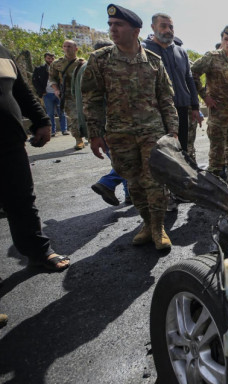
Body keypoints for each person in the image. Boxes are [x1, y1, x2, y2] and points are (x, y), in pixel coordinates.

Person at [82, 4, 179, 250]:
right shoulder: (100, 60)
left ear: (135, 30)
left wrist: (173, 131)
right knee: (134, 182)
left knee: (155, 181)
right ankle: (146, 223)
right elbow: (91, 99)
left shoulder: (154, 61)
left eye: (118, 25)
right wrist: (93, 134)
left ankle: (158, 228)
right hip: (119, 134)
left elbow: (166, 98)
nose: (112, 29)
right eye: (110, 25)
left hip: (152, 132)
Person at [0, 41, 70, 272]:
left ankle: (38, 251)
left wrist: (41, 121)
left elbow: (21, 91)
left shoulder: (2, 52)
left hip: (8, 140)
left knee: (21, 198)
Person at [72, 38, 131, 207]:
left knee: (120, 158)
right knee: (128, 159)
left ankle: (129, 194)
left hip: (93, 122)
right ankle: (108, 183)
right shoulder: (100, 67)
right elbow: (103, 99)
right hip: (109, 123)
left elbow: (75, 95)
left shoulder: (80, 69)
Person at [142, 13, 202, 157]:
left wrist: (195, 106)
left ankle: (182, 179)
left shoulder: (180, 51)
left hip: (181, 109)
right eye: (163, 26)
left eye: (171, 27)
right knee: (162, 154)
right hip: (157, 112)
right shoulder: (144, 50)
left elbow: (189, 79)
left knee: (182, 151)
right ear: (153, 27)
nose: (168, 30)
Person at [191, 25, 228, 183]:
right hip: (218, 110)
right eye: (225, 39)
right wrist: (204, 96)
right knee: (217, 147)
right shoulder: (212, 57)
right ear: (222, 40)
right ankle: (213, 178)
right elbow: (192, 73)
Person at [49, 40, 86, 149]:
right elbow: (52, 78)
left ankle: (92, 137)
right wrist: (56, 90)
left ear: (76, 48)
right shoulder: (56, 63)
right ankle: (78, 139)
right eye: (64, 46)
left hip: (82, 93)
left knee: (87, 116)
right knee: (74, 117)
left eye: (69, 46)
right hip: (68, 94)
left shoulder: (82, 63)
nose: (66, 48)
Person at [33, 52, 67, 136]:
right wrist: (42, 91)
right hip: (47, 94)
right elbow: (35, 81)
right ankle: (52, 131)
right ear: (45, 58)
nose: (51, 60)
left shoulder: (59, 68)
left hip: (59, 94)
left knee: (62, 112)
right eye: (49, 58)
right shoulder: (39, 69)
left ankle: (64, 130)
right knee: (50, 113)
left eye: (52, 58)